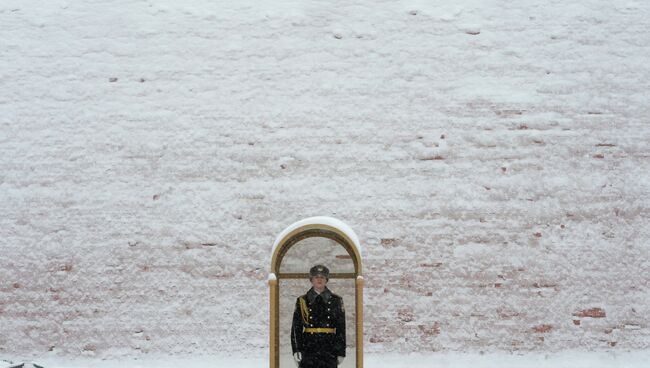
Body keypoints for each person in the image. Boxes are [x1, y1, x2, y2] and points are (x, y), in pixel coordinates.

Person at [291, 264, 346, 368]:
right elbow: (296, 327)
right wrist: (297, 349)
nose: (319, 280)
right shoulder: (302, 300)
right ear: (311, 280)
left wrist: (341, 351)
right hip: (308, 346)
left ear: (326, 280)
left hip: (329, 346)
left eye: (322, 277)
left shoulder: (336, 300)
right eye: (316, 277)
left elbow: (341, 328)